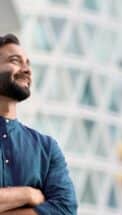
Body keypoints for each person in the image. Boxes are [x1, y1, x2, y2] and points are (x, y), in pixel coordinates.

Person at [0, 34, 77, 214]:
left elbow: (65, 210)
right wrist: (28, 195)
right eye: (15, 61)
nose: (27, 69)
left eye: (28, 63)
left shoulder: (47, 148)